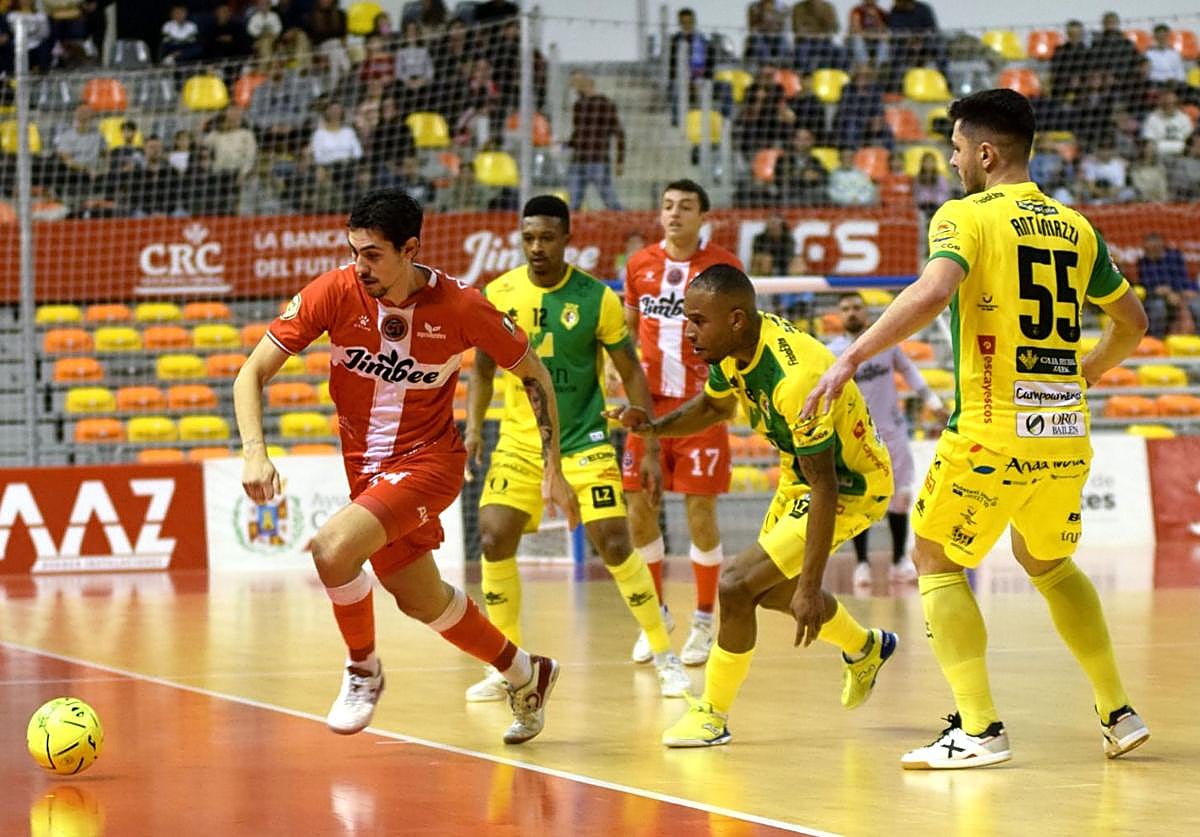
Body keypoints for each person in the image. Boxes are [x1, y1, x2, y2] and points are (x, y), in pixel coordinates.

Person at [803, 88, 1151, 768]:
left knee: (934, 557)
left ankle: (980, 728)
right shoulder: (1076, 226)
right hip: (1065, 429)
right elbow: (1133, 322)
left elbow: (933, 291)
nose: (954, 160)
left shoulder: (964, 215)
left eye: (958, 148)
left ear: (985, 152)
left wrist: (850, 355)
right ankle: (1119, 709)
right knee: (1047, 560)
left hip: (993, 428)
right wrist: (1086, 372)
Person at [234, 188, 579, 746]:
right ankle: (523, 671)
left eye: (372, 255)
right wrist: (255, 450)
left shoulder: (463, 307)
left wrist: (552, 467)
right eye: (353, 252)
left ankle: (363, 669)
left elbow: (535, 375)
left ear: (410, 249)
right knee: (420, 599)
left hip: (430, 462)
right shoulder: (335, 292)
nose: (359, 265)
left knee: (331, 549)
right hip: (367, 472)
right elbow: (250, 373)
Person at [610, 264, 898, 747]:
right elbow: (714, 407)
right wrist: (652, 428)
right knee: (760, 591)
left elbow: (826, 487)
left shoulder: (794, 378)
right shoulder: (731, 350)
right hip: (800, 474)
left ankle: (711, 715)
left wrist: (811, 584)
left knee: (738, 585)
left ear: (737, 319)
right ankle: (865, 647)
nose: (689, 331)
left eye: (699, 321)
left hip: (850, 485)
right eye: (687, 318)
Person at [463, 195, 691, 702]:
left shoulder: (597, 298)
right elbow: (480, 370)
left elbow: (631, 371)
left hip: (585, 442)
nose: (536, 247)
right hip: (520, 444)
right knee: (495, 535)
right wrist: (474, 427)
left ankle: (663, 653)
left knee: (613, 540)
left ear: (567, 239)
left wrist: (648, 443)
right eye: (528, 238)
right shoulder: (498, 294)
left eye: (547, 237)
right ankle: (510, 667)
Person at [622, 179, 743, 668]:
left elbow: (740, 334)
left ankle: (704, 621)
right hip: (647, 406)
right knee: (639, 508)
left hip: (701, 406)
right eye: (667, 205)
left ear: (702, 215)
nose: (674, 213)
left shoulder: (724, 267)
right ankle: (656, 617)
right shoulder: (638, 266)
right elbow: (628, 334)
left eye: (685, 207)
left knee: (700, 514)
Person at [828, 291, 946, 589]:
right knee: (857, 499)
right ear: (839, 316)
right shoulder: (832, 352)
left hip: (892, 433)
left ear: (866, 313)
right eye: (846, 308)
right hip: (855, 437)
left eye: (857, 307)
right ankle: (862, 564)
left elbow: (910, 372)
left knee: (901, 497)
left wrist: (932, 403)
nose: (852, 312)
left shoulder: (885, 343)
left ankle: (897, 561)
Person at [566, 71, 625, 211]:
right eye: (573, 82)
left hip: (598, 160)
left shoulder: (605, 104)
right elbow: (578, 135)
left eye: (576, 82)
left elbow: (619, 133)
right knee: (573, 204)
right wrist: (564, 145)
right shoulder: (578, 106)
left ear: (588, 82)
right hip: (578, 161)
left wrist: (620, 160)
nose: (574, 86)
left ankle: (627, 228)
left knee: (611, 202)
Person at [1138, 232, 1200, 338]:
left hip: (1180, 294)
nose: (1152, 252)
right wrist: (1165, 293)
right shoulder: (1143, 263)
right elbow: (1146, 287)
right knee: (1158, 307)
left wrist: (1190, 290)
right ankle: (1157, 339)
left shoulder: (1174, 257)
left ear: (1162, 245)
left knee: (1197, 304)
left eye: (1156, 247)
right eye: (1149, 249)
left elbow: (1184, 278)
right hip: (1156, 298)